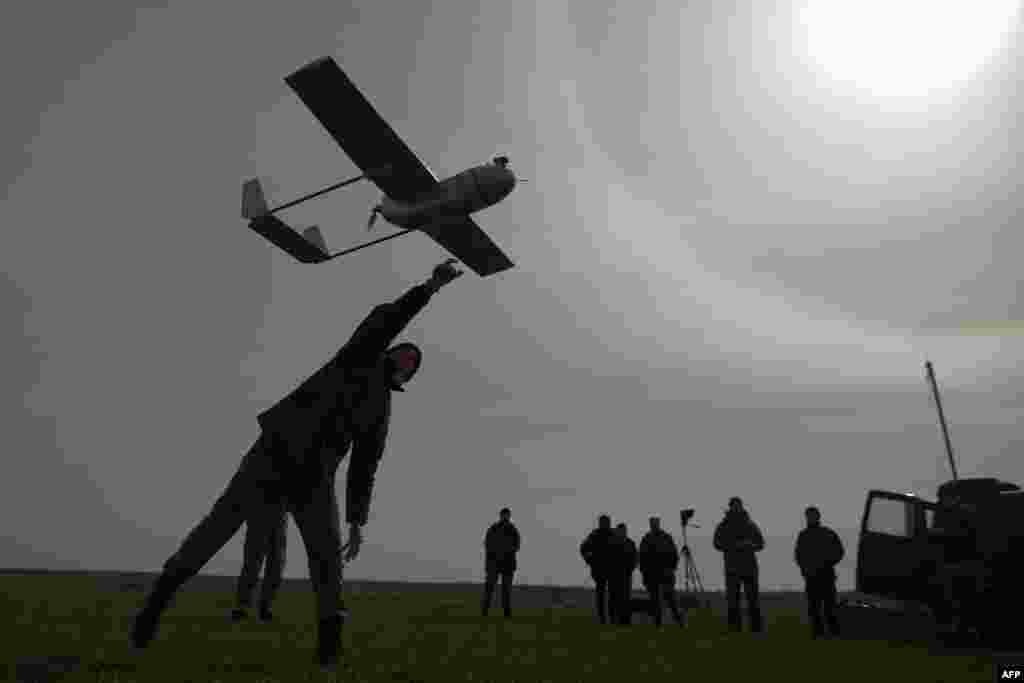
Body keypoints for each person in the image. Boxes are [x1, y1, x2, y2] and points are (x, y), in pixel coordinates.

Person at [130, 259, 464, 671]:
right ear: (389, 350)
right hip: (273, 453)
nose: (407, 358)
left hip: (313, 477)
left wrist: (357, 521)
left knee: (326, 555)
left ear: (409, 378)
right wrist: (429, 287)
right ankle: (158, 599)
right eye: (404, 351)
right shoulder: (358, 356)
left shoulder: (382, 409)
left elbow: (365, 465)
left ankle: (329, 643)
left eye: (414, 362)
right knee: (216, 529)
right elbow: (386, 319)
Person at [713, 496, 765, 633]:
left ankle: (756, 629)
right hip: (732, 568)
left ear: (742, 506)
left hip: (750, 568)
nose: (736, 507)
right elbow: (716, 543)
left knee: (753, 599)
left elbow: (761, 543)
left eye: (738, 505)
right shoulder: (723, 525)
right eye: (734, 505)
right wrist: (733, 546)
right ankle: (734, 629)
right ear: (730, 507)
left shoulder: (750, 524)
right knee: (732, 601)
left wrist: (750, 545)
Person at [230, 501, 288, 622]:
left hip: (279, 512)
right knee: (253, 562)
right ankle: (243, 607)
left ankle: (264, 607)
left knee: (275, 562)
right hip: (260, 509)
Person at [794, 506, 844, 638]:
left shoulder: (827, 533)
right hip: (811, 577)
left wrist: (829, 562)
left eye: (813, 516)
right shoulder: (803, 535)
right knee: (814, 608)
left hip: (826, 574)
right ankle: (818, 633)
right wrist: (805, 570)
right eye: (808, 516)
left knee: (830, 607)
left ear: (818, 517)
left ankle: (833, 632)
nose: (810, 518)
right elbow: (798, 555)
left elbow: (839, 551)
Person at [638, 517, 686, 627]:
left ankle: (678, 620)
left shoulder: (665, 538)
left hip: (665, 574)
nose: (654, 525)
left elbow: (674, 556)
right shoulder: (648, 538)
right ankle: (658, 623)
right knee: (656, 601)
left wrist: (671, 569)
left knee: (670, 599)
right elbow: (642, 558)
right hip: (652, 574)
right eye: (652, 524)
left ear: (658, 524)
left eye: (655, 523)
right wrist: (644, 573)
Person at [481, 507, 521, 617]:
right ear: (501, 515)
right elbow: (487, 544)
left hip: (507, 565)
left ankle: (506, 613)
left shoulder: (512, 529)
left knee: (506, 591)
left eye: (507, 515)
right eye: (504, 515)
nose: (506, 517)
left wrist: (507, 552)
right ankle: (485, 612)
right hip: (494, 564)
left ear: (509, 516)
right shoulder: (494, 528)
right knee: (489, 589)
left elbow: (517, 545)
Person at [580, 515, 616, 624]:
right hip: (599, 570)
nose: (605, 524)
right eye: (603, 522)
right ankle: (603, 618)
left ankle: (611, 617)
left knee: (611, 595)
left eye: (606, 522)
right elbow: (583, 548)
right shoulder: (595, 535)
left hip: (612, 570)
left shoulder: (613, 534)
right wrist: (589, 560)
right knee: (601, 595)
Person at [608, 522, 638, 625]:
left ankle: (625, 621)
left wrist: (630, 569)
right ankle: (613, 620)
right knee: (613, 599)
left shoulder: (630, 543)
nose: (621, 533)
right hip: (614, 576)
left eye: (623, 531)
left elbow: (635, 559)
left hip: (626, 576)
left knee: (625, 599)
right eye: (619, 531)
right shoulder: (611, 543)